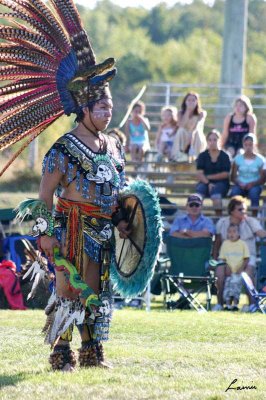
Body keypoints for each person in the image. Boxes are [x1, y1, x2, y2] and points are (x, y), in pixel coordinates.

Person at [1, 0, 161, 372]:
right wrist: (44, 235)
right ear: (83, 109)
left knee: (98, 291)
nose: (108, 112)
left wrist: (123, 218)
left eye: (109, 107)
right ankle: (60, 352)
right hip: (69, 229)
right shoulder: (62, 149)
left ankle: (92, 351)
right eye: (101, 107)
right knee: (68, 290)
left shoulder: (115, 145)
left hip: (103, 231)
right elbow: (43, 196)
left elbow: (117, 189)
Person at [213, 196, 266, 311]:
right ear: (231, 210)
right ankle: (220, 304)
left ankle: (252, 304)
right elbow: (217, 243)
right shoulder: (222, 222)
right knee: (219, 273)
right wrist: (215, 260)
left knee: (247, 274)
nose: (243, 212)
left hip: (247, 256)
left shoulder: (251, 221)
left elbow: (262, 234)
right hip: (226, 257)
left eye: (244, 209)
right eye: (240, 209)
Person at [196, 129, 231, 214]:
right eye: (210, 140)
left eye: (215, 139)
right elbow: (199, 174)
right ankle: (196, 220)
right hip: (205, 183)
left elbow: (225, 174)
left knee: (216, 196)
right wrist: (208, 183)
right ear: (207, 141)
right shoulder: (202, 156)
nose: (212, 142)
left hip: (222, 183)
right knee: (197, 197)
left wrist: (208, 177)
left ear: (219, 141)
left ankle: (219, 220)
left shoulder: (225, 156)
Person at [230, 133, 265, 213]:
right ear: (243, 145)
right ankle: (235, 214)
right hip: (241, 184)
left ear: (254, 145)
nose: (248, 147)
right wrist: (239, 183)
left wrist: (253, 184)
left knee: (254, 193)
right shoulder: (237, 159)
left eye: (250, 145)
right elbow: (233, 177)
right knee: (235, 192)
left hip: (255, 185)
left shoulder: (261, 160)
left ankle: (254, 216)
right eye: (246, 145)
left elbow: (262, 178)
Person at [219, 224, 249, 311]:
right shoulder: (225, 244)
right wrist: (226, 266)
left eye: (234, 231)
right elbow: (222, 258)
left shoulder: (242, 244)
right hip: (228, 272)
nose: (231, 234)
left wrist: (241, 268)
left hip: (238, 272)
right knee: (227, 288)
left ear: (238, 233)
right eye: (229, 232)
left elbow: (246, 258)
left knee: (236, 288)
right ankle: (228, 305)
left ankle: (235, 304)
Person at [170, 92, 207, 162]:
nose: (191, 102)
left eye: (193, 100)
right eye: (189, 100)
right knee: (181, 130)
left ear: (197, 102)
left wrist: (192, 134)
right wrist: (188, 111)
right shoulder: (180, 113)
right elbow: (181, 125)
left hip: (196, 137)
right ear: (185, 102)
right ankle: (179, 154)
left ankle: (195, 156)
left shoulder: (201, 113)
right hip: (184, 136)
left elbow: (198, 125)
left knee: (197, 133)